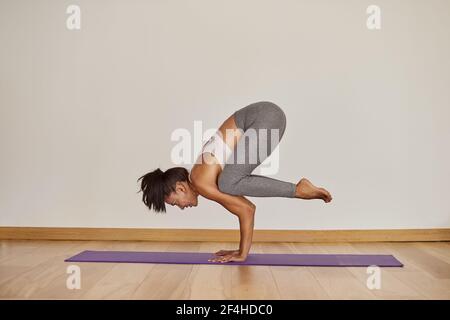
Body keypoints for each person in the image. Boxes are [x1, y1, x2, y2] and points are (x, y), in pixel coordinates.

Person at [137, 101, 332, 263]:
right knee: (229, 182)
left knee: (228, 183)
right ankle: (298, 189)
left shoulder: (201, 181)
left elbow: (246, 209)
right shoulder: (202, 175)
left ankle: (298, 189)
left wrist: (241, 254)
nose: (180, 207)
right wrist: (241, 251)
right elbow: (247, 207)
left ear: (180, 187)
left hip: (265, 118)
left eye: (175, 202)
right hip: (267, 117)